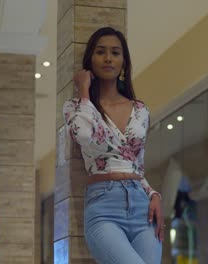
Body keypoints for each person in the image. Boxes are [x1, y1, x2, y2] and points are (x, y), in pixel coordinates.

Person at [63, 27, 164, 264]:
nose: (108, 58)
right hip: (103, 206)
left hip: (142, 207)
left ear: (123, 62)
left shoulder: (140, 110)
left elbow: (136, 164)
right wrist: (84, 90)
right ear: (90, 59)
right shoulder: (74, 107)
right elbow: (85, 136)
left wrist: (154, 194)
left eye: (115, 53)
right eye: (101, 52)